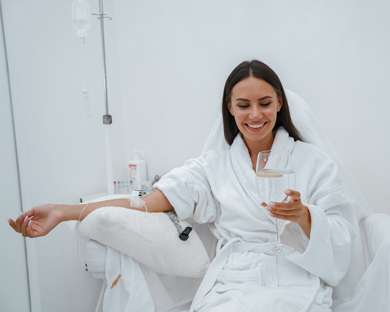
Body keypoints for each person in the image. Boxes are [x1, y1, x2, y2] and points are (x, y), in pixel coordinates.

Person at [9, 60, 355, 312]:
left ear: (279, 104)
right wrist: (65, 212)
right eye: (243, 104)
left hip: (295, 274)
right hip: (235, 279)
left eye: (265, 103)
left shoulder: (314, 163)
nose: (255, 115)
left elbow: (342, 233)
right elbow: (148, 202)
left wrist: (305, 217)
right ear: (229, 108)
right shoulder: (213, 167)